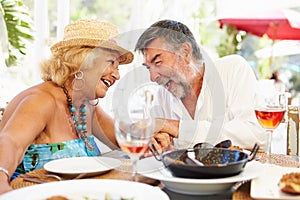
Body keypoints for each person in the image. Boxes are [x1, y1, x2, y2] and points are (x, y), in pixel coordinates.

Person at [0, 19, 133, 194]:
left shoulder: (85, 104)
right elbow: (11, 142)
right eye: (111, 62)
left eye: (118, 66)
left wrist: (161, 128)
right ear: (83, 60)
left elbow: (124, 139)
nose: (117, 75)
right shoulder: (41, 100)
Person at [135, 19, 266, 152]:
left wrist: (177, 127)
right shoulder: (163, 95)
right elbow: (159, 142)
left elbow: (256, 135)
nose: (153, 77)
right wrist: (158, 143)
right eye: (148, 68)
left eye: (158, 62)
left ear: (185, 52)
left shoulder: (233, 69)